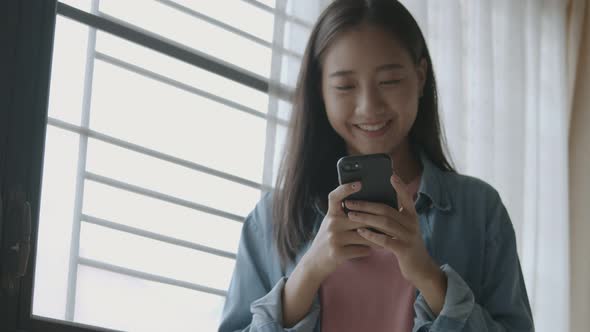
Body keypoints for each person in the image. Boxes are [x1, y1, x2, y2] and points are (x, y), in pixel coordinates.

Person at [218, 0, 534, 331]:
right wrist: (309, 271)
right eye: (345, 86)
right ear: (320, 90)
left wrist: (428, 275)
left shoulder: (479, 211)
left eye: (390, 81)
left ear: (420, 77)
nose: (369, 106)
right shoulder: (271, 218)